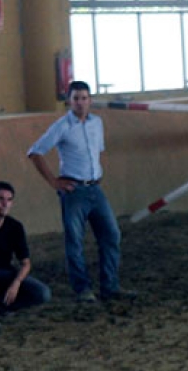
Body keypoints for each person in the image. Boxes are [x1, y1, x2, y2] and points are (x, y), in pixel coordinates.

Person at [27, 80, 133, 303]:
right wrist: (54, 182)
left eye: (84, 98)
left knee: (111, 234)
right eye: (76, 98)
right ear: (69, 101)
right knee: (75, 241)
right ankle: (82, 288)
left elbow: (98, 150)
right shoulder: (62, 126)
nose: (81, 103)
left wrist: (96, 172)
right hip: (73, 190)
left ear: (90, 100)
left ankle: (110, 285)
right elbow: (35, 152)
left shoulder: (97, 123)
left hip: (94, 187)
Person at [0, 181, 51, 315]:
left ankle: (2, 307)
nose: (5, 204)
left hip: (5, 273)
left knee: (43, 293)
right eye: (0, 199)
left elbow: (26, 263)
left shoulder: (15, 227)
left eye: (9, 200)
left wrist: (16, 283)